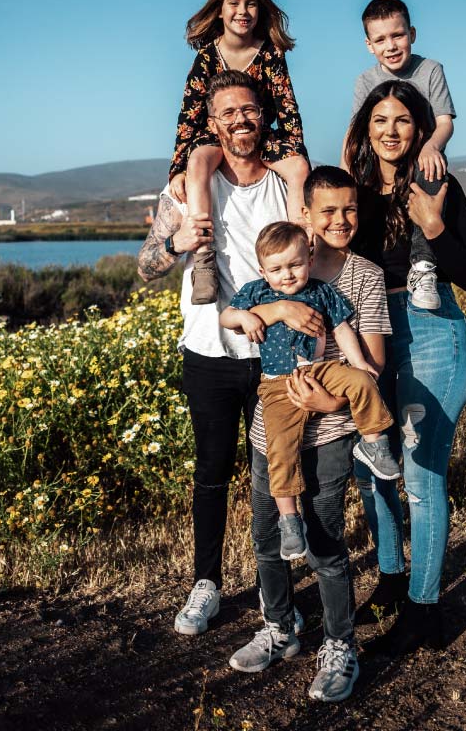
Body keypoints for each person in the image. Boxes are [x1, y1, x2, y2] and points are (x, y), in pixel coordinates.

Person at [137, 70, 317, 637]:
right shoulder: (189, 188)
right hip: (209, 353)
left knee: (277, 475)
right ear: (212, 124)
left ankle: (278, 598)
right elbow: (145, 268)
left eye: (249, 110)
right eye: (228, 114)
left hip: (276, 357)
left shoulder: (287, 186)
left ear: (262, 115)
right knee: (212, 473)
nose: (241, 120)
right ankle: (205, 584)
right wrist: (175, 242)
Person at [228, 166, 392, 702]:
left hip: (332, 428)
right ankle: (280, 627)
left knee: (324, 541)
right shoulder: (277, 267)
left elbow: (372, 359)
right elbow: (232, 317)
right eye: (328, 210)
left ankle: (340, 643)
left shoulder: (362, 276)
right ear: (305, 216)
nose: (340, 220)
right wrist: (275, 307)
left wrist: (329, 401)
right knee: (268, 534)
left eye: (349, 210)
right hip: (269, 425)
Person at [344, 80, 466, 656]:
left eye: (403, 120)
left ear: (420, 128)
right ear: (365, 128)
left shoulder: (438, 185)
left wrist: (430, 221)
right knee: (372, 465)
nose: (391, 131)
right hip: (372, 331)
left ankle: (425, 610)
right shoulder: (353, 191)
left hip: (432, 333)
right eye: (380, 120)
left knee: (422, 479)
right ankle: (392, 580)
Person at [221, 220, 399, 560]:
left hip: (322, 369)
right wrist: (245, 319)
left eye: (295, 265)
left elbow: (343, 329)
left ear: (310, 259)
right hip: (277, 384)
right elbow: (226, 316)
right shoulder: (257, 292)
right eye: (277, 269)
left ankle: (374, 443)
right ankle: (290, 519)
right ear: (263, 270)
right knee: (280, 448)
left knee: (363, 381)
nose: (287, 275)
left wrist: (359, 362)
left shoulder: (321, 291)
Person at [168, 0, 310, 305]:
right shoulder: (206, 57)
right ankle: (204, 258)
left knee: (299, 168)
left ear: (260, 10)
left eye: (250, 4)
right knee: (199, 160)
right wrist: (177, 168)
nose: (242, 11)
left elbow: (287, 107)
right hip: (215, 136)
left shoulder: (271, 53)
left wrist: (295, 153)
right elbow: (188, 115)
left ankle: (302, 244)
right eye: (234, 3)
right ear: (219, 9)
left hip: (262, 135)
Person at [342, 0, 457, 311]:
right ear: (369, 45)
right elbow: (354, 132)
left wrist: (432, 145)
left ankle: (423, 267)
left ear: (412, 35)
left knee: (431, 168)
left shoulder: (430, 70)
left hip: (421, 161)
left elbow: (445, 122)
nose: (390, 45)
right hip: (380, 164)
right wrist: (343, 175)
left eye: (397, 35)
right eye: (381, 39)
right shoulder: (365, 81)